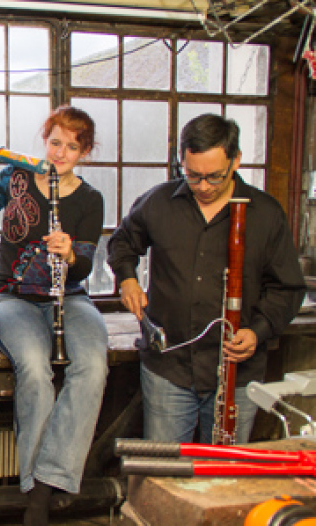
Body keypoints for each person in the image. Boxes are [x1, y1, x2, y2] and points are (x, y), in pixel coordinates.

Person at [107, 113, 306, 444]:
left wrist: (256, 332)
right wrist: (127, 279)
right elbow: (122, 243)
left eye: (214, 177)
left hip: (237, 374)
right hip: (169, 368)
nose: (203, 187)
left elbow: (287, 289)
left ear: (236, 160)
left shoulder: (267, 214)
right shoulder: (158, 202)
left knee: (223, 471)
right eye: (193, 176)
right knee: (164, 469)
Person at [0, 106, 109, 526]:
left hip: (70, 297)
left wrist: (70, 254)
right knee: (33, 366)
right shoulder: (17, 178)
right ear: (44, 141)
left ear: (85, 152)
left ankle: (46, 481)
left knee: (93, 366)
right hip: (12, 298)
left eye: (72, 147)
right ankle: (38, 494)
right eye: (55, 142)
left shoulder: (90, 199)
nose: (60, 153)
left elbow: (84, 267)